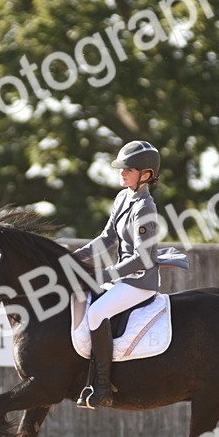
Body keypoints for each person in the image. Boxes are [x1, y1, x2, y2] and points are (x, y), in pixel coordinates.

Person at [71, 140, 162, 409]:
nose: (122, 173)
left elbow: (144, 258)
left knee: (96, 313)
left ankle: (102, 387)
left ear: (145, 175)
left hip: (139, 283)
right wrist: (75, 257)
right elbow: (107, 238)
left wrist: (105, 274)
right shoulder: (123, 198)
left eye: (128, 169)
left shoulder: (146, 208)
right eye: (121, 169)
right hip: (120, 278)